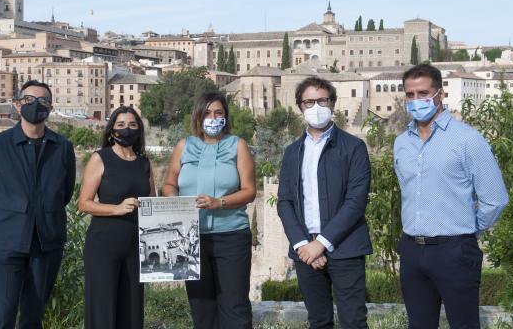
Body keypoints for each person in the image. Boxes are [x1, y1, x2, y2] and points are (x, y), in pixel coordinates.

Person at [394, 64, 509, 329]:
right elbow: (408, 193)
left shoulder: (468, 140)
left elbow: (496, 198)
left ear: (440, 94)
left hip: (454, 250)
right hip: (411, 250)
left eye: (423, 93)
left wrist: (466, 231)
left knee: (464, 325)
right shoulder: (401, 143)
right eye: (409, 95)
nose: (415, 100)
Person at [0, 80, 76, 329]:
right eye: (29, 100)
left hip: (47, 243)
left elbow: (65, 193)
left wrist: (42, 213)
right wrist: (11, 213)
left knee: (33, 317)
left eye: (43, 101)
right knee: (1, 317)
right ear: (18, 106)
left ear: (50, 107)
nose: (36, 105)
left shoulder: (62, 148)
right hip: (7, 244)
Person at [277, 77, 372, 329]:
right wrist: (303, 245)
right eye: (309, 101)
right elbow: (285, 202)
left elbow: (355, 201)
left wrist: (321, 243)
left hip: (345, 247)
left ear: (332, 104)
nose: (316, 106)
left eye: (322, 100)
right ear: (300, 107)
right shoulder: (292, 152)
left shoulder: (354, 148)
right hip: (305, 251)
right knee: (318, 321)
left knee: (353, 320)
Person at [162, 91, 256, 329]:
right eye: (207, 113)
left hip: (232, 235)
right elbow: (169, 184)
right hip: (191, 237)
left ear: (225, 116)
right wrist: (176, 201)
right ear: (198, 116)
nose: (212, 118)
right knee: (201, 307)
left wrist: (219, 202)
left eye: (218, 113)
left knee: (235, 305)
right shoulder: (184, 146)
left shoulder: (238, 145)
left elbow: (249, 190)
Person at [78, 106, 155, 329]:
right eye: (120, 125)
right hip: (104, 245)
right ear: (111, 130)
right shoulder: (100, 158)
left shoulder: (144, 163)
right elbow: (84, 203)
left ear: (139, 130)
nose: (126, 129)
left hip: (136, 246)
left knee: (132, 310)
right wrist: (117, 208)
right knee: (103, 309)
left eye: (132, 125)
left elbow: (152, 202)